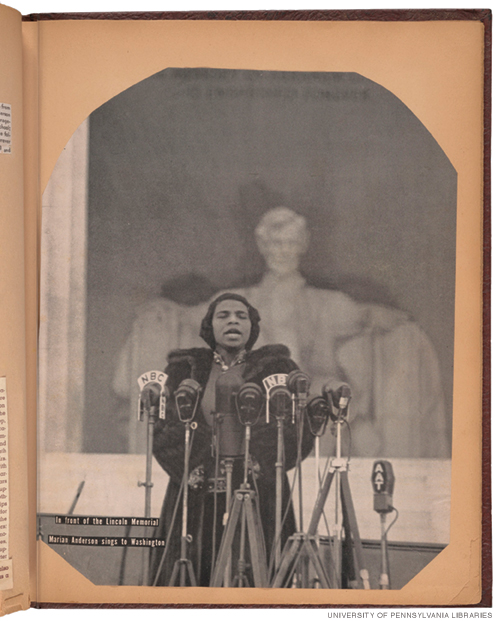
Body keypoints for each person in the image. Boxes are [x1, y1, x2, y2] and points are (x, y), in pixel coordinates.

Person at [114, 207, 449, 458]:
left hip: (312, 400)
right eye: (275, 244)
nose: (283, 252)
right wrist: (162, 311)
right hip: (251, 403)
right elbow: (189, 317)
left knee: (355, 431)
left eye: (290, 244)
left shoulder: (326, 302)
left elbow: (367, 319)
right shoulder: (241, 298)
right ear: (263, 247)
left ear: (301, 246)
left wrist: (389, 320)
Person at [149, 293, 313, 587]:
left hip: (260, 496)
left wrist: (259, 463)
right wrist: (194, 467)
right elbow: (163, 430)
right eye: (223, 315)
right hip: (195, 494)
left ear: (253, 327)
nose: (233, 320)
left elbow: (297, 431)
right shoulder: (182, 370)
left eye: (242, 316)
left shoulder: (278, 368)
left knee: (257, 578)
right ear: (209, 325)